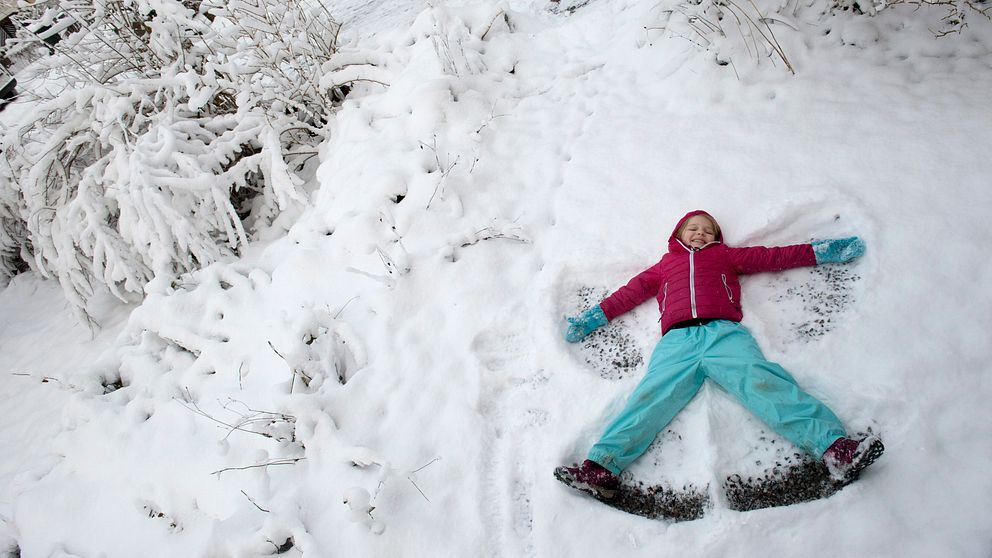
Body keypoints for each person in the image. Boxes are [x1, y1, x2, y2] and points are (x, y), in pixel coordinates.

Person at [555, 210, 884, 499]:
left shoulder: (725, 257)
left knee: (763, 383)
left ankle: (836, 450)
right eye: (693, 228)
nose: (700, 233)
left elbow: (774, 257)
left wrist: (823, 252)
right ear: (679, 234)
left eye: (707, 230)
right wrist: (592, 318)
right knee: (650, 398)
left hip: (724, 335)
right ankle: (599, 469)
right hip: (678, 342)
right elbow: (630, 293)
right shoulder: (665, 266)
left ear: (716, 238)